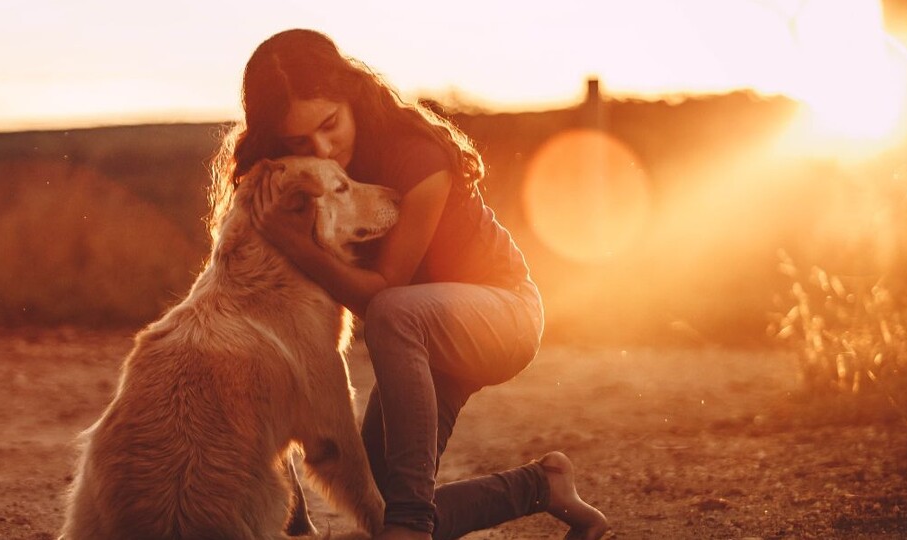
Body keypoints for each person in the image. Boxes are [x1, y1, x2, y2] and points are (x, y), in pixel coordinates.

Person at [208, 28, 610, 540]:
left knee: (395, 314)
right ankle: (542, 487)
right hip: (421, 337)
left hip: (501, 314)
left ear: (351, 94)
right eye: (299, 142)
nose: (324, 149)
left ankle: (412, 528)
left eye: (330, 125)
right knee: (377, 499)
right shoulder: (298, 178)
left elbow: (384, 290)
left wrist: (300, 247)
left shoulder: (416, 155)